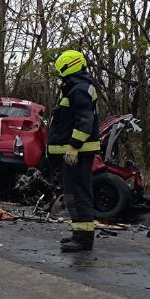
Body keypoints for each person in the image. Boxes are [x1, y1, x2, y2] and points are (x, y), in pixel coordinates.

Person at [47, 50, 101, 252]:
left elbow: (84, 122)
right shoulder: (77, 88)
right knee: (73, 195)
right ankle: (79, 234)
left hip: (77, 153)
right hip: (72, 153)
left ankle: (84, 240)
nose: (60, 76)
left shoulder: (79, 90)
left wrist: (74, 146)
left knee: (79, 194)